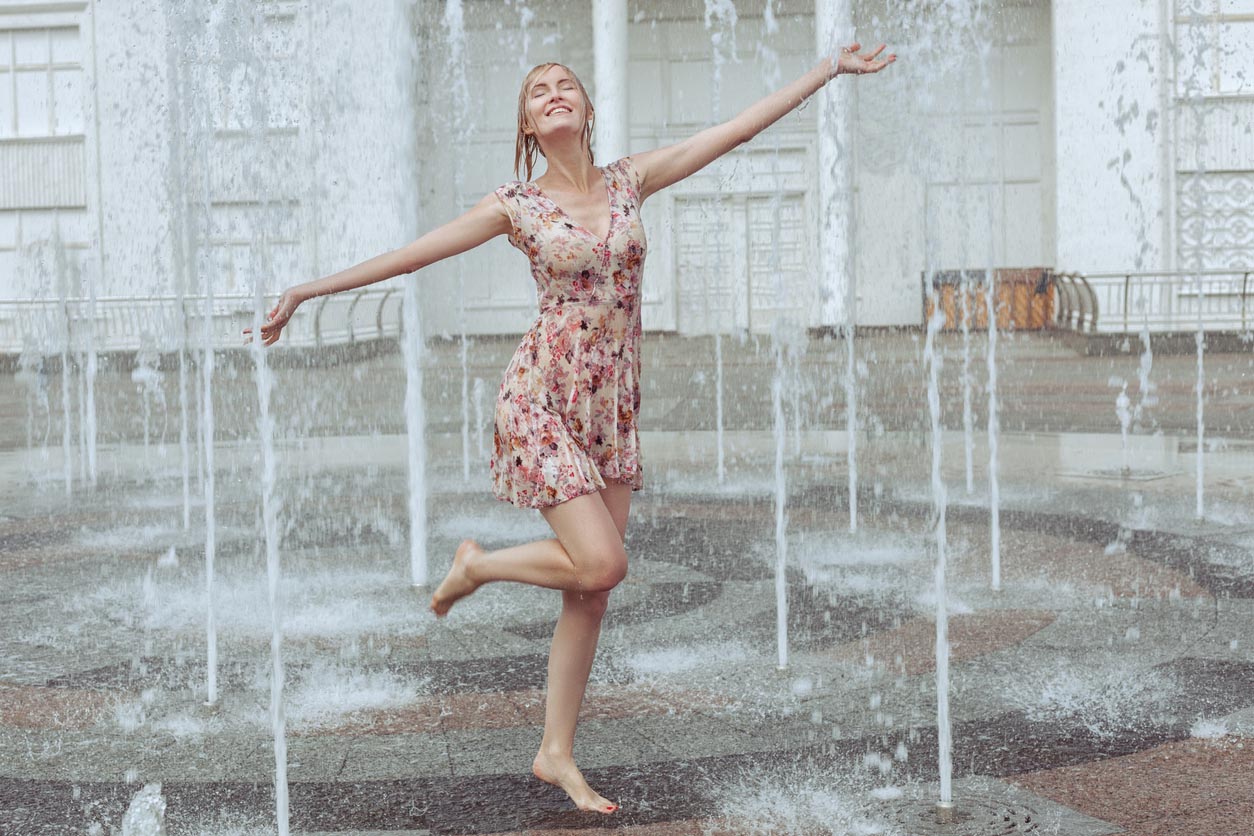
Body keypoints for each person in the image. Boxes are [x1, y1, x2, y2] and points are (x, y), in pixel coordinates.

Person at [246, 43, 895, 815]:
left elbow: (731, 131)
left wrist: (825, 71)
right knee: (603, 564)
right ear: (526, 122)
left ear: (586, 110)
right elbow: (410, 258)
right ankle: (477, 568)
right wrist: (308, 291)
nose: (553, 93)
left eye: (565, 86)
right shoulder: (513, 206)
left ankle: (556, 751)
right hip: (543, 397)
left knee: (590, 596)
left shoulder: (632, 180)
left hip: (611, 406)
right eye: (537, 90)